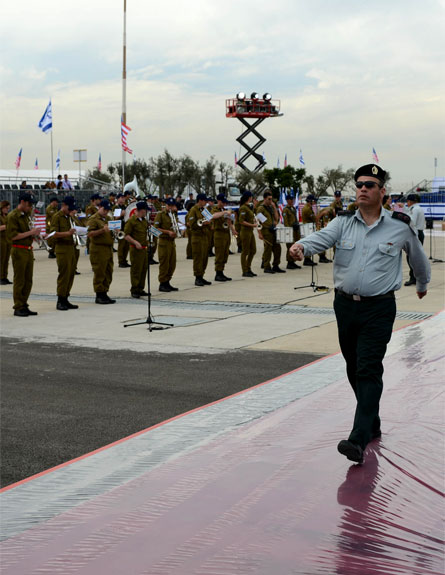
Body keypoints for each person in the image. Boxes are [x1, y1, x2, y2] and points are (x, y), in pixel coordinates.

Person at [290, 163, 431, 464]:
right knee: (353, 366)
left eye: (369, 184)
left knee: (368, 367)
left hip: (379, 307)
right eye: (359, 185)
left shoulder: (400, 225)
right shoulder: (342, 223)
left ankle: (358, 438)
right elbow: (321, 239)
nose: (363, 189)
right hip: (344, 306)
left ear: (382, 191)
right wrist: (302, 245)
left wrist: (422, 282)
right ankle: (372, 421)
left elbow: (418, 258)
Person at [6, 192, 40, 316]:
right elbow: (13, 236)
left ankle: (24, 303)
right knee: (20, 279)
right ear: (23, 202)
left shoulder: (25, 215)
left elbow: (27, 232)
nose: (30, 207)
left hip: (27, 249)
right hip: (18, 249)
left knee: (28, 280)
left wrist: (35, 235)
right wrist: (31, 232)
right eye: (29, 204)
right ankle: (18, 306)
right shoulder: (13, 216)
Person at [50, 196, 79, 310]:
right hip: (62, 249)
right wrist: (68, 233)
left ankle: (66, 297)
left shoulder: (69, 217)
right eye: (69, 208)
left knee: (71, 274)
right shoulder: (57, 217)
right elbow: (53, 233)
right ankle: (60, 300)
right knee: (64, 274)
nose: (71, 210)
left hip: (71, 248)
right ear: (64, 205)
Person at [87, 199, 116, 304]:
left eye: (107, 210)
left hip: (108, 248)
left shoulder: (108, 218)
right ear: (100, 208)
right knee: (100, 271)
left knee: (108, 271)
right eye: (104, 209)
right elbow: (89, 234)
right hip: (98, 248)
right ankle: (99, 294)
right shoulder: (93, 219)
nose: (106, 212)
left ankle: (105, 292)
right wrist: (102, 230)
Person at [124, 201, 150, 298]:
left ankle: (140, 288)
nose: (146, 212)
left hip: (144, 249)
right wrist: (135, 242)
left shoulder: (143, 220)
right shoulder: (131, 221)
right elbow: (126, 235)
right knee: (136, 270)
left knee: (143, 269)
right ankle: (134, 289)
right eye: (145, 210)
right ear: (140, 210)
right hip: (135, 249)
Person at [153, 197, 179, 292]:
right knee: (164, 264)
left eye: (172, 206)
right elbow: (155, 229)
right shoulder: (160, 215)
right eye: (169, 205)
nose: (171, 207)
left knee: (172, 264)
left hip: (172, 242)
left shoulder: (173, 215)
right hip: (164, 242)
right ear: (166, 205)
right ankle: (162, 283)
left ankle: (167, 281)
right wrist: (167, 232)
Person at [256, 190, 285, 273]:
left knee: (277, 248)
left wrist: (274, 208)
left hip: (273, 230)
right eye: (269, 199)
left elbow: (277, 218)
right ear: (264, 199)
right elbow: (258, 222)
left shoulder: (270, 207)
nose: (270, 201)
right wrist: (260, 233)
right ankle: (266, 266)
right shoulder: (261, 208)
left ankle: (276, 265)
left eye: (271, 199)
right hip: (266, 231)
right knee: (268, 250)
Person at [210, 194, 237, 281]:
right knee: (219, 254)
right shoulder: (215, 209)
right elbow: (213, 216)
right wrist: (224, 213)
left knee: (225, 253)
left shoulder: (224, 210)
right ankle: (218, 273)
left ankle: (221, 272)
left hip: (226, 233)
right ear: (219, 201)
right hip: (219, 234)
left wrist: (233, 230)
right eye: (223, 202)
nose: (224, 204)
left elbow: (229, 221)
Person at [187, 193, 212, 286]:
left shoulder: (204, 210)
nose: (206, 202)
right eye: (205, 201)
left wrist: (208, 222)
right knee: (198, 258)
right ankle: (197, 277)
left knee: (205, 257)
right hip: (197, 237)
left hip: (205, 236)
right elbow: (192, 224)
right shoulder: (193, 210)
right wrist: (204, 223)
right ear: (200, 200)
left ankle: (202, 275)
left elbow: (210, 219)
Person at [403, 193, 426, 286]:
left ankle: (413, 277)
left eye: (407, 201)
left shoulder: (414, 210)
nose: (407, 203)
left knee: (411, 257)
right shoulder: (417, 208)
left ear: (411, 201)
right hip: (419, 233)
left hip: (415, 233)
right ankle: (415, 277)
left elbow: (411, 222)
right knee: (414, 257)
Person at [301, 195, 331, 264]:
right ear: (310, 201)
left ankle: (313, 258)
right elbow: (315, 219)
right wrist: (322, 213)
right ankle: (307, 259)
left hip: (309, 227)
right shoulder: (307, 209)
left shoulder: (309, 207)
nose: (315, 202)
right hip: (308, 228)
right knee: (309, 243)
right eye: (314, 201)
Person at [238, 191, 257, 277]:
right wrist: (252, 225)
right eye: (251, 197)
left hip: (250, 231)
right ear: (249, 197)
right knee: (245, 251)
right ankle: (244, 270)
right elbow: (241, 221)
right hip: (245, 231)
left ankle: (248, 267)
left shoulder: (249, 207)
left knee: (253, 250)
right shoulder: (243, 208)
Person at [282, 195, 301, 270]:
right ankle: (289, 262)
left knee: (294, 246)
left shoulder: (293, 208)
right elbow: (286, 222)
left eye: (292, 199)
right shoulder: (285, 210)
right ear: (287, 200)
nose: (292, 201)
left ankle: (293, 261)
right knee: (290, 246)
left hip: (295, 230)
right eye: (290, 199)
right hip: (290, 231)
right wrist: (290, 228)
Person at [114, 193, 130, 268]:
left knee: (126, 246)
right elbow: (115, 219)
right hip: (119, 228)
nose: (122, 199)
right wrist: (121, 215)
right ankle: (121, 261)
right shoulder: (116, 207)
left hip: (125, 227)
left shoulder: (125, 207)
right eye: (121, 198)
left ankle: (124, 260)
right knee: (121, 246)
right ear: (118, 199)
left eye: (123, 198)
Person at [0, 200, 12, 284]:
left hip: (7, 239)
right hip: (1, 239)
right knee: (1, 259)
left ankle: (5, 276)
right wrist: (9, 226)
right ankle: (0, 277)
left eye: (8, 208)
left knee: (6, 259)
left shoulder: (7, 216)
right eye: (6, 208)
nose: (7, 210)